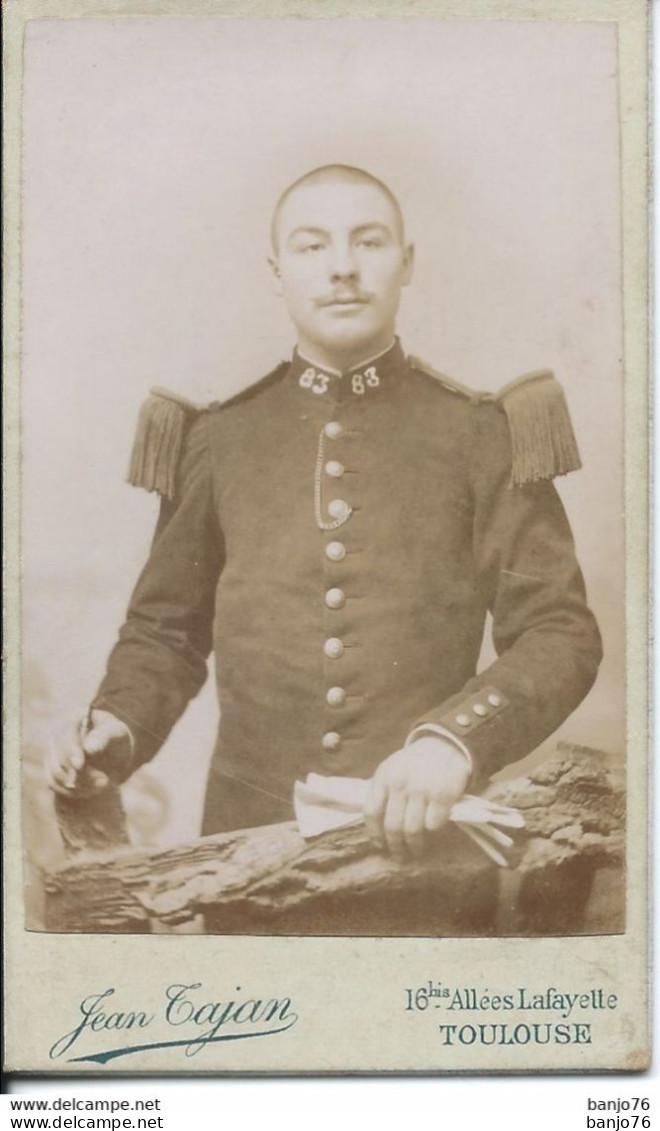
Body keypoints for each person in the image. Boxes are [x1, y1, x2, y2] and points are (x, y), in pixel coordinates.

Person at [49, 164, 602, 865]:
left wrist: (451, 741)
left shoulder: (483, 433)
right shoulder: (218, 438)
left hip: (427, 851)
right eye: (313, 247)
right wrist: (117, 728)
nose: (342, 268)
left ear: (406, 264)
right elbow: (167, 631)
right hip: (240, 850)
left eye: (367, 243)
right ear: (276, 269)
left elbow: (560, 631)